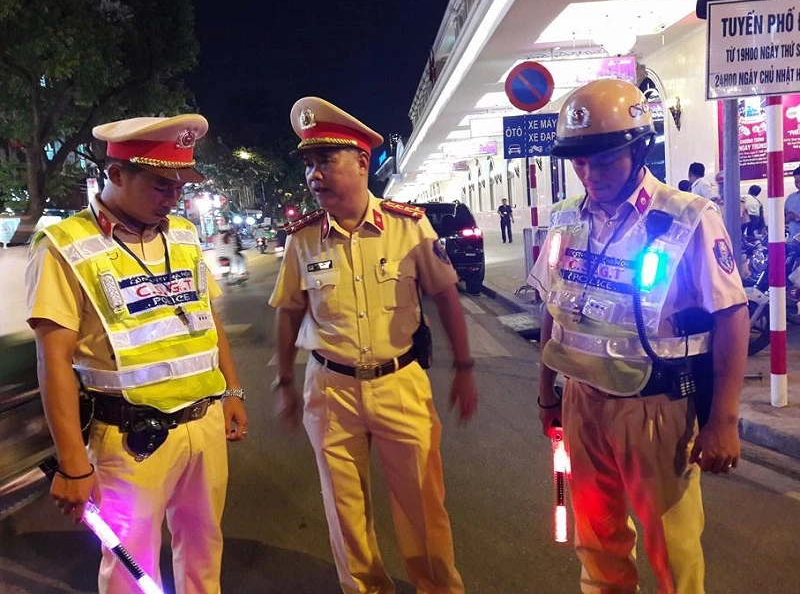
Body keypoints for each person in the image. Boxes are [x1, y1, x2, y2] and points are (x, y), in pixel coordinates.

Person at [528, 79, 749, 594]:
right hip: (582, 402)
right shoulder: (564, 218)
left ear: (639, 149)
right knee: (595, 540)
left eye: (604, 160)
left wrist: (724, 421)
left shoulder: (688, 217)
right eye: (580, 162)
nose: (590, 174)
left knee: (673, 549)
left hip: (657, 408)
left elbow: (733, 314)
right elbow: (553, 309)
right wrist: (547, 395)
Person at [25, 114, 248, 593]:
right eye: (162, 185)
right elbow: (53, 360)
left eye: (180, 187)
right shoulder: (64, 246)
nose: (173, 198)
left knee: (205, 549)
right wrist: (72, 463)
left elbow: (208, 321)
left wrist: (232, 391)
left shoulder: (183, 233)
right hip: (128, 439)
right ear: (116, 173)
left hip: (204, 424)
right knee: (131, 569)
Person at [270, 96, 477, 594]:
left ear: (362, 162)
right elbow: (289, 310)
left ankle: (437, 588)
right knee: (344, 510)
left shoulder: (408, 226)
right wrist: (284, 381)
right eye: (308, 164)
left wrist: (465, 368)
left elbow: (445, 295)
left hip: (399, 381)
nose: (314, 174)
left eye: (325, 160)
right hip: (330, 390)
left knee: (423, 503)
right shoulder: (302, 240)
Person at [785, 166, 800, 240]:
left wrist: (798, 217)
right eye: (796, 182)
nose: (798, 185)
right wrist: (787, 218)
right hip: (793, 240)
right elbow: (784, 219)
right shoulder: (790, 198)